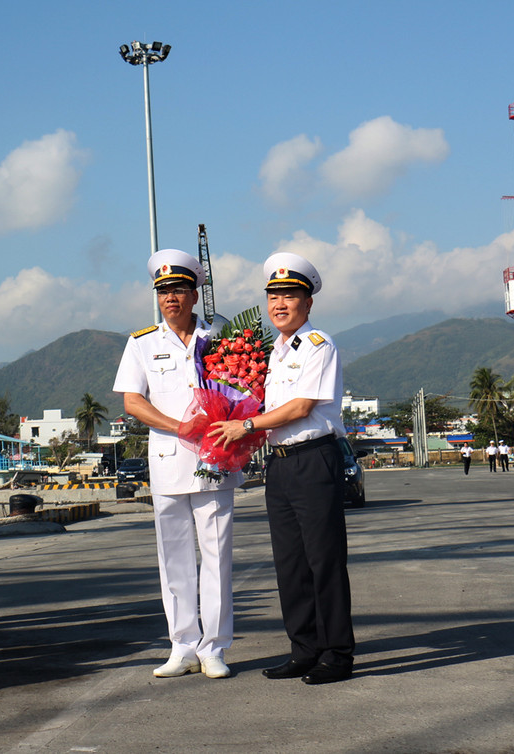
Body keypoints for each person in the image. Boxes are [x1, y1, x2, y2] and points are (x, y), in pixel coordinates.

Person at [210, 251, 354, 685]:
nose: (279, 304)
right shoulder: (273, 350)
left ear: (308, 303)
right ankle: (304, 648)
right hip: (281, 465)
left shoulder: (318, 345)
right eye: (273, 296)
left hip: (315, 460)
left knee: (323, 561)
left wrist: (246, 425)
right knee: (290, 563)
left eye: (289, 295)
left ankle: (337, 654)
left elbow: (302, 406)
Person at [113, 248, 240, 680]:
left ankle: (215, 648)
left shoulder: (221, 336)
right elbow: (133, 401)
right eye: (163, 290)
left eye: (178, 289)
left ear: (194, 293)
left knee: (217, 557)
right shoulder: (143, 342)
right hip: (168, 461)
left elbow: (245, 388)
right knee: (175, 561)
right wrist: (178, 427)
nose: (170, 298)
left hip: (215, 458)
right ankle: (182, 646)